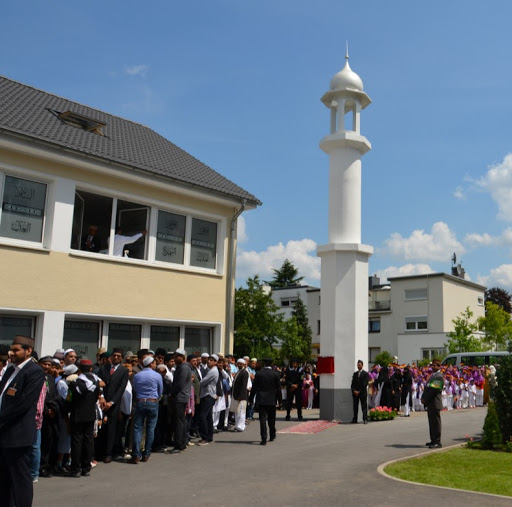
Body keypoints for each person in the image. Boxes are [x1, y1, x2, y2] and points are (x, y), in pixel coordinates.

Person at [0, 335, 45, 507]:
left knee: (20, 478)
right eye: (12, 349)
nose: (12, 352)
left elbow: (23, 404)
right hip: (4, 432)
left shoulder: (34, 371)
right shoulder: (11, 370)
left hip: (17, 434)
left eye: (16, 349)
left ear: (28, 351)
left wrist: (2, 420)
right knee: (4, 476)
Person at [67, 358, 100, 477]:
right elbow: (96, 398)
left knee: (76, 442)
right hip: (90, 414)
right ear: (90, 369)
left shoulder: (74, 384)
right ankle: (86, 467)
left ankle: (75, 468)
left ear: (79, 369)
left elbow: (69, 400)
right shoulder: (96, 383)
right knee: (88, 441)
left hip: (77, 415)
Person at [129, 355, 163, 463]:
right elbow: (160, 390)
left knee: (137, 428)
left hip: (140, 401)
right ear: (151, 364)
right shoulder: (157, 375)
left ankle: (136, 454)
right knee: (150, 428)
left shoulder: (137, 375)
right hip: (152, 401)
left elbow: (135, 388)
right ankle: (146, 453)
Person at [97, 348, 129, 462]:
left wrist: (112, 402)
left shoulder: (124, 371)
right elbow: (99, 383)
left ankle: (108, 453)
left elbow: (121, 388)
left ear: (121, 358)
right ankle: (98, 452)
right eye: (114, 355)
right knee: (100, 427)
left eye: (118, 356)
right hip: (102, 402)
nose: (116, 357)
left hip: (114, 404)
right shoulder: (103, 368)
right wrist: (101, 397)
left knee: (111, 428)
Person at [250, 358, 282, 445]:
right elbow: (278, 389)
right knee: (271, 419)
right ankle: (272, 435)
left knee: (262, 419)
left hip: (261, 399)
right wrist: (280, 400)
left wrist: (251, 398)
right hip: (272, 399)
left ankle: (263, 438)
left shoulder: (259, 374)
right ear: (272, 364)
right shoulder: (275, 374)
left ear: (264, 364)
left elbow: (254, 388)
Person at [168, 348, 191, 454]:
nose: (175, 358)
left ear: (182, 357)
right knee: (180, 421)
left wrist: (172, 394)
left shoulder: (183, 368)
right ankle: (181, 442)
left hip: (180, 398)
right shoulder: (181, 367)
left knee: (179, 422)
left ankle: (179, 444)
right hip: (181, 397)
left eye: (177, 356)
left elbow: (179, 384)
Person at [421, 358, 444, 449]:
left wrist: (425, 399)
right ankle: (433, 440)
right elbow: (427, 388)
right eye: (432, 365)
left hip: (435, 402)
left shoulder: (439, 376)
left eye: (435, 365)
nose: (433, 366)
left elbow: (434, 390)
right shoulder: (432, 376)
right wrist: (423, 397)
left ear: (439, 366)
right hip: (430, 403)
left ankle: (437, 442)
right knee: (431, 423)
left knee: (436, 422)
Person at [197, 354, 219, 446]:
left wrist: (195, 381)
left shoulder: (213, 371)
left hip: (208, 395)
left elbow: (202, 382)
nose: (209, 361)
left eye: (211, 360)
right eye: (209, 359)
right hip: (209, 395)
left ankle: (204, 437)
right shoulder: (212, 370)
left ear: (215, 362)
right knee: (208, 417)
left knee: (202, 416)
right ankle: (209, 437)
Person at [231, 358, 249, 432]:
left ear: (243, 364)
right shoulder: (239, 371)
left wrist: (240, 396)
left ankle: (240, 426)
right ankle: (237, 425)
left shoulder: (244, 372)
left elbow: (243, 386)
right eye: (238, 363)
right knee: (237, 411)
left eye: (240, 364)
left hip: (241, 396)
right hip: (236, 395)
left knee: (241, 412)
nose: (239, 365)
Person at [351, 360, 369, 424]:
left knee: (363, 406)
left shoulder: (365, 374)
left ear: (362, 365)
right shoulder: (355, 374)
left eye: (360, 365)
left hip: (362, 393)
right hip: (355, 393)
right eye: (358, 365)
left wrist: (359, 391)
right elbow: (352, 384)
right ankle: (355, 419)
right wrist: (354, 391)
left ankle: (365, 419)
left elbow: (365, 384)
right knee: (355, 406)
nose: (358, 366)